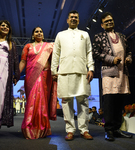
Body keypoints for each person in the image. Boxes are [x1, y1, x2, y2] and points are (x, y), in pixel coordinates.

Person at [51, 10, 94, 141]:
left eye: (76, 17)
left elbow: (89, 52)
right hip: (64, 71)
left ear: (79, 20)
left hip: (82, 71)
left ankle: (84, 129)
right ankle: (70, 130)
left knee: (83, 101)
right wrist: (54, 70)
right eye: (71, 17)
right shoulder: (60, 34)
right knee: (66, 101)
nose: (74, 19)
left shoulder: (85, 34)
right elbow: (56, 53)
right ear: (67, 20)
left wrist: (91, 68)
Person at [92, 12, 133, 141]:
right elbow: (95, 53)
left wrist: (128, 58)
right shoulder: (99, 36)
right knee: (109, 102)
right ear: (102, 25)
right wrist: (111, 59)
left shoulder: (122, 36)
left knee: (119, 102)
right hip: (109, 73)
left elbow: (129, 51)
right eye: (106, 21)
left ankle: (117, 129)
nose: (109, 22)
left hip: (122, 73)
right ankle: (109, 130)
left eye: (111, 20)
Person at [19, 26, 57, 139]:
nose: (39, 33)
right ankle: (29, 127)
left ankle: (42, 128)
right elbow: (22, 61)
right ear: (33, 35)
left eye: (41, 31)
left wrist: (55, 72)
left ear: (43, 35)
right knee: (31, 101)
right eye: (36, 31)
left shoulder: (49, 46)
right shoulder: (28, 46)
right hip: (31, 77)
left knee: (42, 102)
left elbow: (54, 61)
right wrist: (16, 73)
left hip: (45, 76)